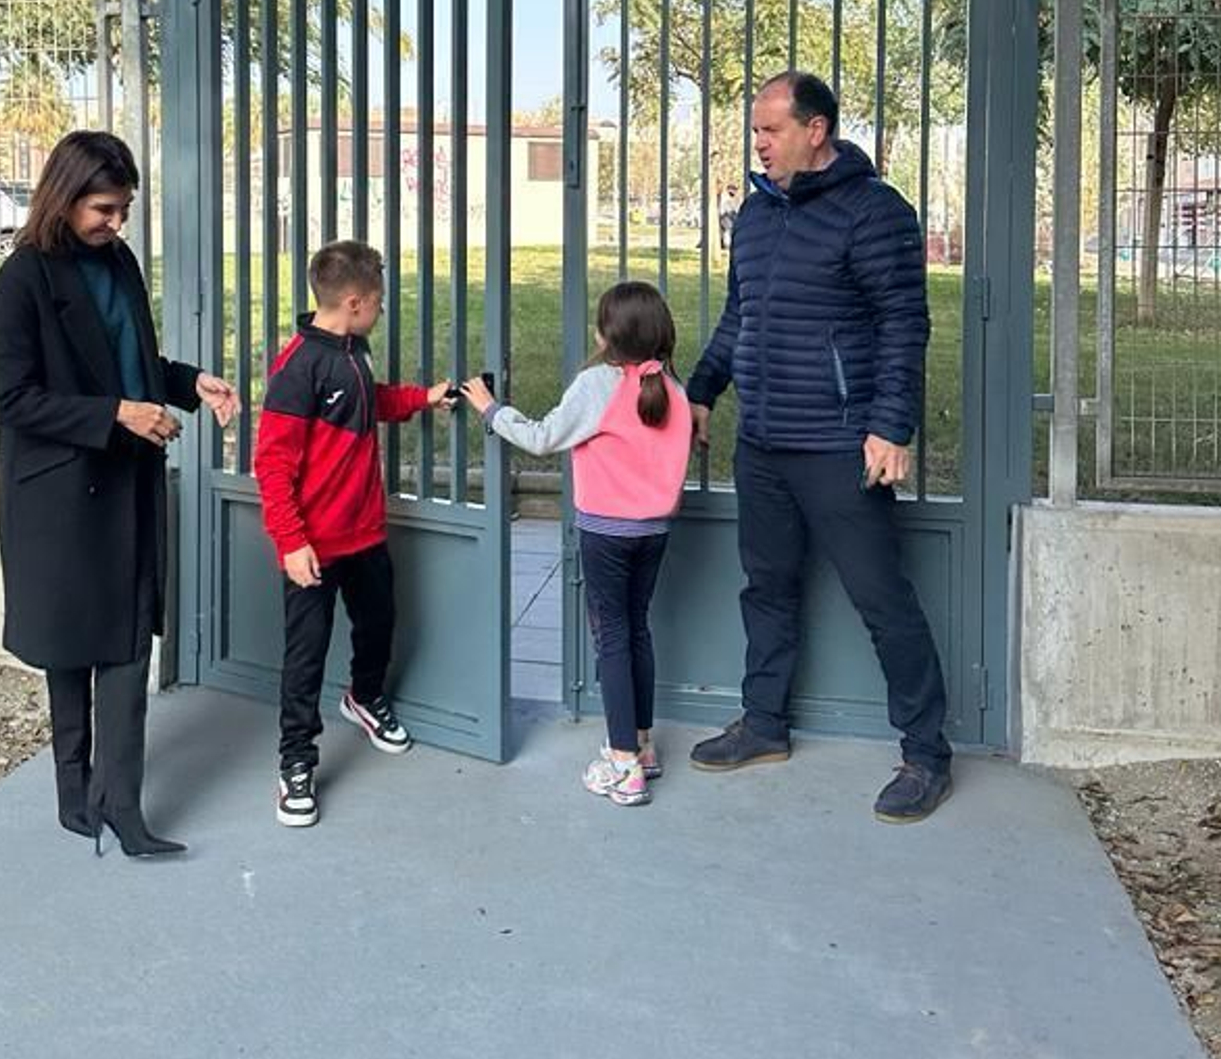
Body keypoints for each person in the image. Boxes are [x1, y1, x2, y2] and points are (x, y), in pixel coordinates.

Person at [686, 72, 954, 822]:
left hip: (842, 444)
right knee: (765, 588)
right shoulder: (757, 215)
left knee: (881, 599)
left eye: (771, 130)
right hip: (765, 440)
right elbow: (740, 316)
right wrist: (703, 391)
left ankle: (926, 754)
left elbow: (905, 322)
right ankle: (764, 724)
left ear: (816, 129)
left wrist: (891, 423)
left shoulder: (875, 212)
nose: (759, 144)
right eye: (757, 131)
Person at [0, 130, 240, 858]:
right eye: (104, 208)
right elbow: (13, 397)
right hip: (58, 493)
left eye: (124, 209)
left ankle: (120, 805)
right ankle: (75, 790)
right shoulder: (23, 278)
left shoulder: (119, 261)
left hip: (127, 477)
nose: (116, 223)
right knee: (69, 644)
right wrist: (115, 414)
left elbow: (130, 360)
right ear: (64, 197)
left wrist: (189, 381)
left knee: (128, 640)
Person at [463, 282, 690, 808]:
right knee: (637, 631)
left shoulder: (597, 386)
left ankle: (623, 764)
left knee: (610, 638)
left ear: (604, 335)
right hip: (653, 531)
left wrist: (492, 412)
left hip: (605, 532)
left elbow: (543, 438)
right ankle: (643, 744)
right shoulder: (673, 390)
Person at [252, 239, 450, 828]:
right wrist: (290, 541)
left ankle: (364, 696)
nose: (383, 311)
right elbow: (273, 464)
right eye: (380, 302)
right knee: (306, 657)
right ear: (357, 301)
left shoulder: (353, 351)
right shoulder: (298, 368)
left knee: (379, 621)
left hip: (365, 534)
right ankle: (295, 762)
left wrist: (423, 398)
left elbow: (372, 404)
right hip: (312, 546)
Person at [716, 184, 739, 250]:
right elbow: (724, 210)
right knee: (727, 231)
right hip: (726, 217)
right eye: (731, 189)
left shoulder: (737, 199)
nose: (732, 191)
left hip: (734, 216)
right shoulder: (725, 199)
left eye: (734, 190)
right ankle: (727, 245)